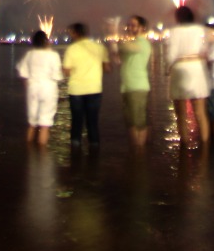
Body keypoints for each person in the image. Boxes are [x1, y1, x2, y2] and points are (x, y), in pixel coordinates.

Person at [164, 5, 211, 147]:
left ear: (177, 18)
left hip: (180, 70)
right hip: (197, 69)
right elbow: (205, 50)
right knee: (200, 114)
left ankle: (184, 148)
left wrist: (168, 68)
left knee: (181, 115)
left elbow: (171, 55)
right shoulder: (199, 30)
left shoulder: (174, 32)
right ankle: (205, 149)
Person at [61, 22, 109, 151]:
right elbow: (107, 67)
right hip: (95, 89)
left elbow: (65, 70)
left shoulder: (71, 49)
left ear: (76, 33)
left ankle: (75, 152)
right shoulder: (99, 48)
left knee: (77, 122)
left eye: (71, 32)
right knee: (92, 122)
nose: (70, 34)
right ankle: (94, 150)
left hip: (76, 90)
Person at [16, 30, 64, 146]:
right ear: (46, 41)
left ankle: (29, 154)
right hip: (48, 89)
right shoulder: (53, 55)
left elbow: (23, 73)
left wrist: (29, 86)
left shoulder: (29, 54)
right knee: (45, 125)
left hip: (33, 89)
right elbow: (57, 76)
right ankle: (41, 157)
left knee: (32, 124)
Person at [115, 15, 152, 150]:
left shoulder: (142, 43)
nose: (130, 27)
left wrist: (115, 37)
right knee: (130, 122)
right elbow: (118, 59)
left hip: (138, 87)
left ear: (142, 28)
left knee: (139, 121)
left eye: (134, 25)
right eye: (129, 25)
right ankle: (135, 149)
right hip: (126, 87)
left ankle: (140, 153)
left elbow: (127, 48)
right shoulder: (131, 44)